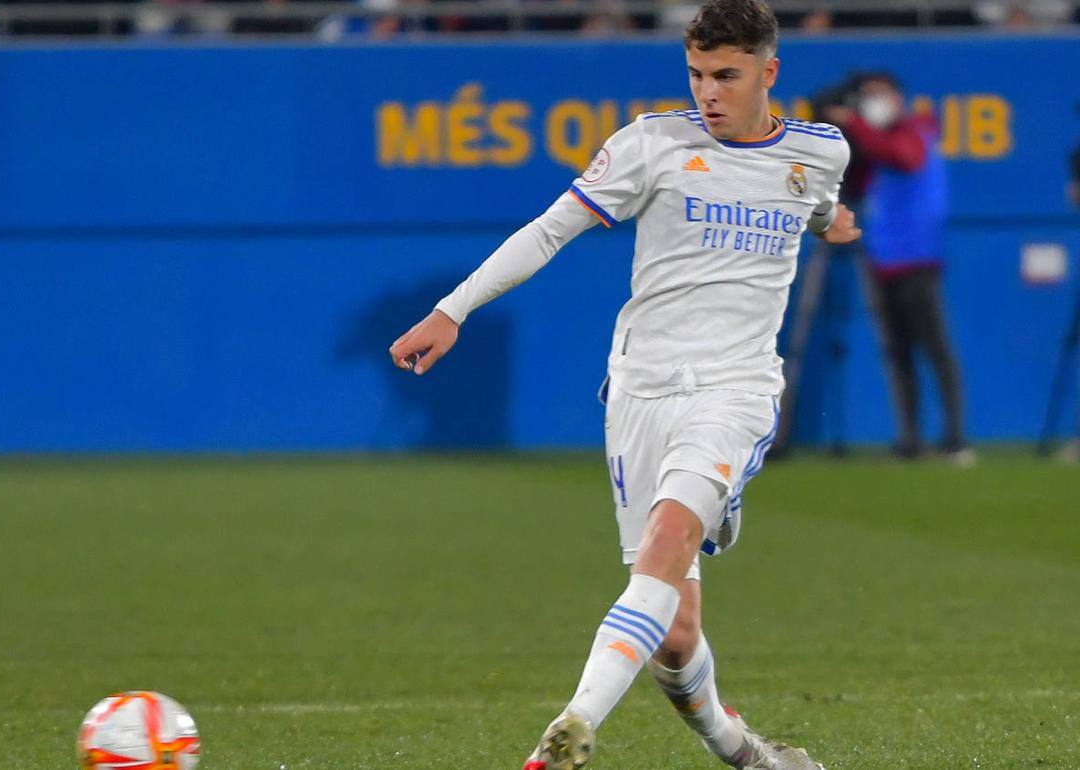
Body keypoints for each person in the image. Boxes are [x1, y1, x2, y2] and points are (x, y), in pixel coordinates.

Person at [388, 0, 858, 767]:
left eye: (727, 76)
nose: (709, 92)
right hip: (640, 391)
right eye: (698, 75)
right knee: (673, 637)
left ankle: (569, 731)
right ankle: (747, 753)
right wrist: (453, 309)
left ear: (768, 73)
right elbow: (549, 230)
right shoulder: (653, 144)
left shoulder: (820, 151)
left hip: (736, 388)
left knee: (670, 541)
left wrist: (832, 221)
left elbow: (816, 197)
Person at [823, 73, 970, 462]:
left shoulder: (916, 129)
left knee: (935, 350)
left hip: (918, 259)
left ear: (898, 97)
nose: (872, 102)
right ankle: (910, 439)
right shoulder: (874, 143)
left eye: (878, 94)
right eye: (866, 96)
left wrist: (854, 123)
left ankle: (955, 438)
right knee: (898, 353)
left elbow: (905, 158)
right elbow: (853, 182)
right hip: (884, 260)